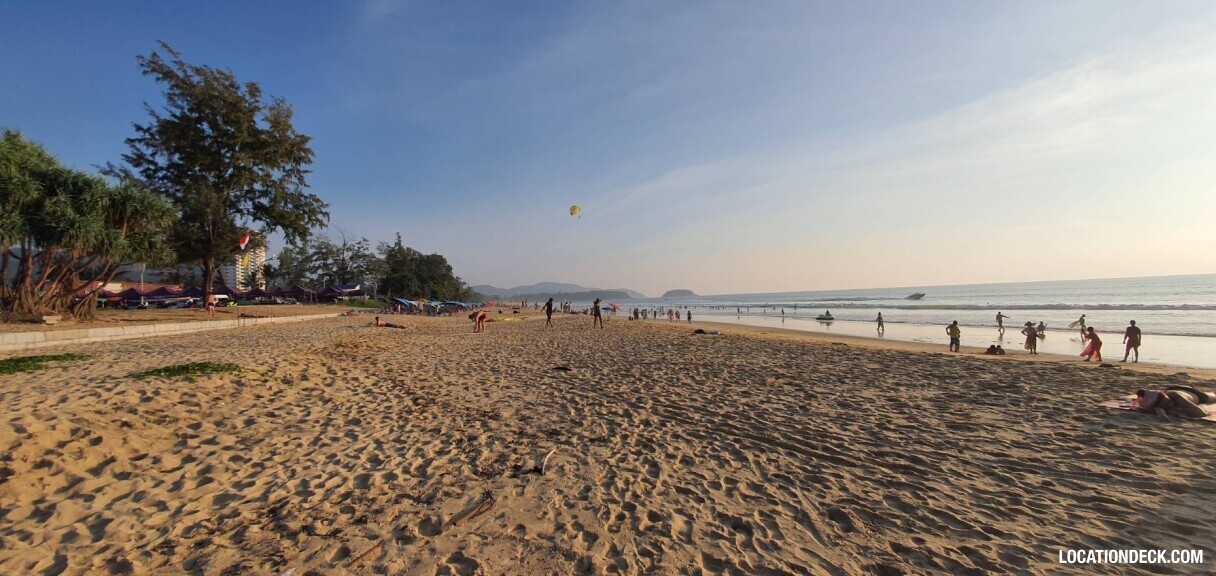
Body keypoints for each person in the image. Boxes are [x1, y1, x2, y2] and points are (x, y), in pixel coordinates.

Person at [1136, 387, 1216, 422]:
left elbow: (1200, 413)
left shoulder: (1176, 397)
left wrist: (1174, 410)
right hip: (1175, 389)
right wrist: (1158, 410)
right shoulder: (1157, 404)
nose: (1169, 404)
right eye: (1166, 405)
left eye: (1168, 401)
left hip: (1194, 394)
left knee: (1212, 397)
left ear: (1165, 395)